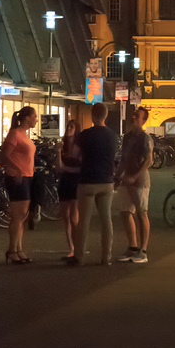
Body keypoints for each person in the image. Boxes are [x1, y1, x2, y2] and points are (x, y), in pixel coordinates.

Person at [68, 102, 118, 266]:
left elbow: (74, 154)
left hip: (88, 181)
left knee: (84, 221)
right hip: (106, 182)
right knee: (106, 220)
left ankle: (80, 257)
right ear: (105, 116)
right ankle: (106, 257)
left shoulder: (85, 135)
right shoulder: (112, 135)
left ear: (92, 115)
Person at [116, 106, 153, 263]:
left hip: (140, 180)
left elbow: (149, 160)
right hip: (127, 178)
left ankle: (143, 250)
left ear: (144, 120)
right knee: (125, 211)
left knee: (141, 212)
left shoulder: (145, 138)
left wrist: (135, 176)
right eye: (133, 115)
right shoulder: (127, 137)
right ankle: (132, 247)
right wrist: (117, 177)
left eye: (137, 116)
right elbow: (123, 159)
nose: (133, 117)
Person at [0, 106, 36, 264]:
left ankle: (18, 248)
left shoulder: (24, 134)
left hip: (27, 176)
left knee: (22, 215)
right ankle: (12, 250)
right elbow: (5, 154)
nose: (36, 119)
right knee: (17, 214)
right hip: (17, 177)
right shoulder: (14, 134)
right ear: (27, 118)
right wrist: (18, 169)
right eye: (34, 116)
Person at [57, 119, 81, 258]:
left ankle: (77, 247)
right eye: (68, 126)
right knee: (65, 216)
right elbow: (59, 167)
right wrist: (58, 151)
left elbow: (80, 167)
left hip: (76, 182)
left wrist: (66, 168)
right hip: (65, 181)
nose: (69, 129)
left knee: (74, 216)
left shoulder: (80, 146)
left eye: (72, 126)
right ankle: (71, 248)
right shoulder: (63, 146)